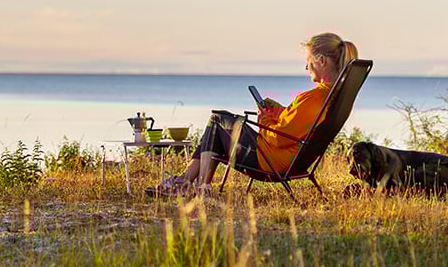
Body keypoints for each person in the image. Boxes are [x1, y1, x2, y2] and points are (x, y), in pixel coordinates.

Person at [147, 32, 359, 197]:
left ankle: (199, 187)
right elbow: (295, 123)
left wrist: (265, 117)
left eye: (309, 60)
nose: (306, 66)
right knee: (219, 127)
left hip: (270, 161)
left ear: (321, 61)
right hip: (290, 159)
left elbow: (278, 137)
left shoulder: (312, 99)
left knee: (218, 120)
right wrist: (278, 111)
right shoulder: (327, 98)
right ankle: (184, 182)